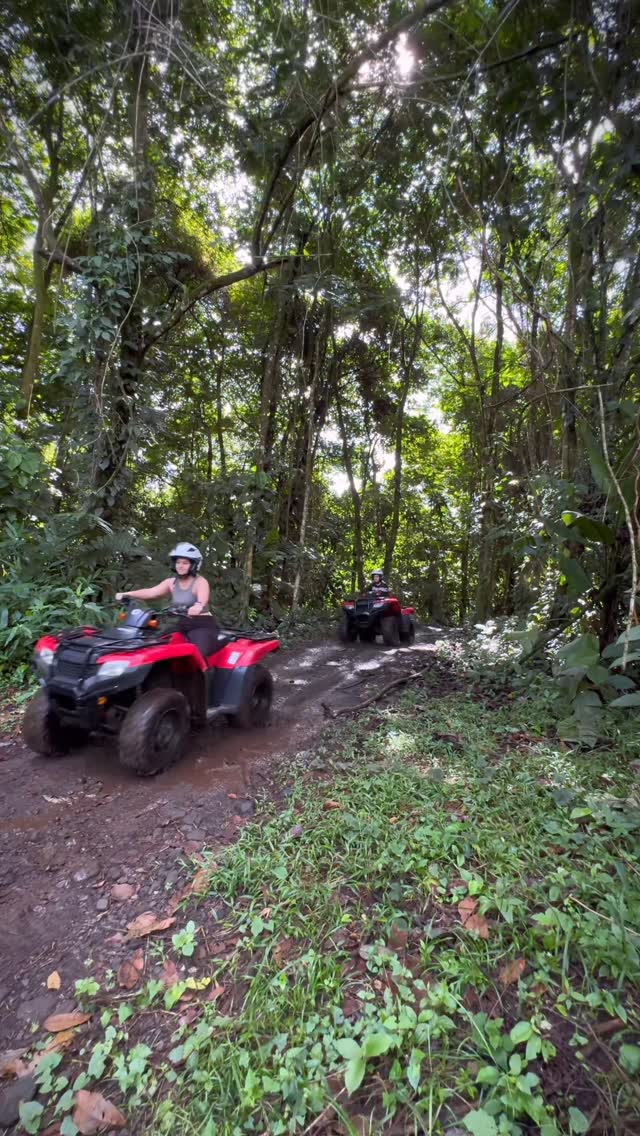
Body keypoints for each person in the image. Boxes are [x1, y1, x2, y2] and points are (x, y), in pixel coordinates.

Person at [116, 543, 220, 660]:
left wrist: (197, 607)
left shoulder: (200, 582)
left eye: (185, 563)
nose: (180, 566)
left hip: (201, 625)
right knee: (157, 644)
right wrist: (128, 594)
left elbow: (202, 601)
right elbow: (151, 592)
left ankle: (203, 676)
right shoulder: (171, 582)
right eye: (178, 562)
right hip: (181, 623)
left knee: (197, 656)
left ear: (193, 565)